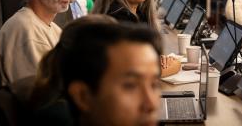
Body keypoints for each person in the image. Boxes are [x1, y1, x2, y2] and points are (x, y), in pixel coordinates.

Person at [29, 15, 163, 126]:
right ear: (83, 96)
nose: (151, 104)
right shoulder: (59, 118)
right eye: (130, 86)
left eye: (155, 84)